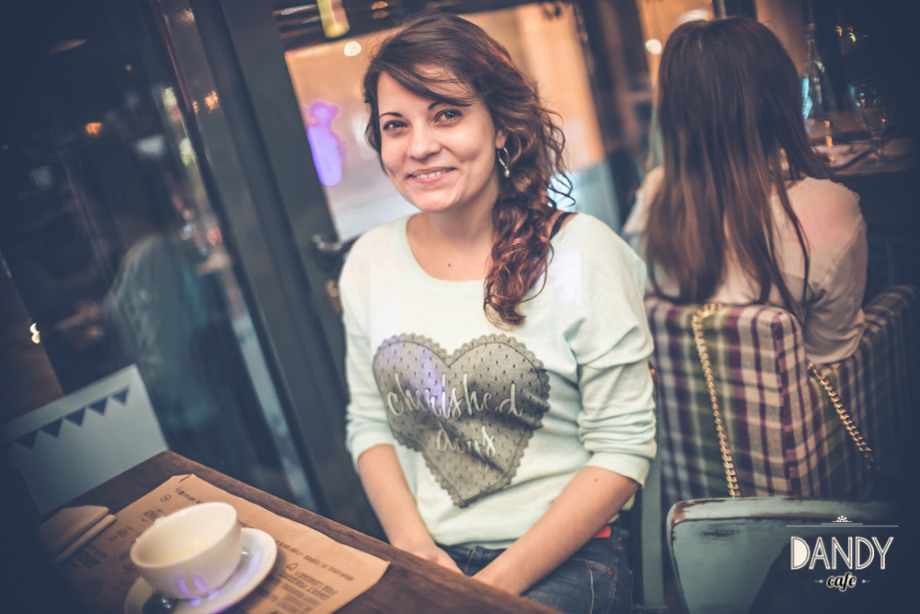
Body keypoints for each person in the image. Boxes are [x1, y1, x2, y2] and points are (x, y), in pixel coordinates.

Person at [339, 11, 656, 614]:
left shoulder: (583, 255)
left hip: (568, 558)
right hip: (428, 555)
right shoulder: (368, 262)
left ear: (503, 127)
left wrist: (483, 591)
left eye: (447, 114)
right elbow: (370, 424)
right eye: (396, 125)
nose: (419, 146)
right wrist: (414, 548)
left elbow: (623, 450)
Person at [624, 16, 867, 365]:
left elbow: (641, 310)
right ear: (780, 99)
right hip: (794, 399)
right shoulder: (828, 206)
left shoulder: (654, 193)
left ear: (675, 114)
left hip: (685, 397)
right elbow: (831, 354)